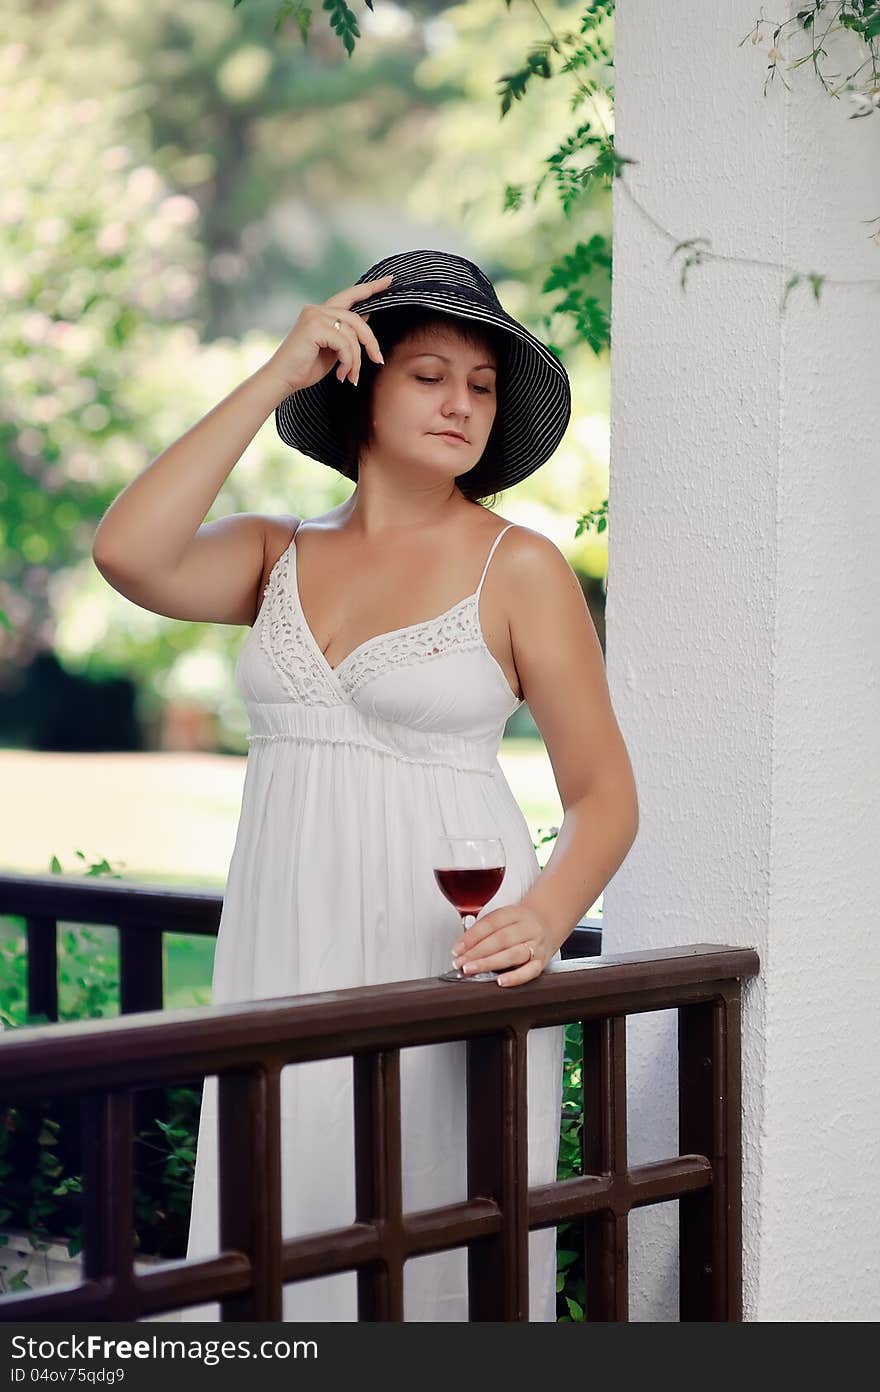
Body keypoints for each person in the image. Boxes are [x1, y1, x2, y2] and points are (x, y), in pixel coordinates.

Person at [91, 248, 640, 1321]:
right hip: (283, 947)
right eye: (429, 374)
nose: (462, 404)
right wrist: (269, 377)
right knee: (280, 1232)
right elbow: (128, 552)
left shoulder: (517, 567)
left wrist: (545, 914)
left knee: (432, 1240)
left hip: (442, 950)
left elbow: (604, 795)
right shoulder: (271, 554)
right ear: (359, 379)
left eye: (481, 386)